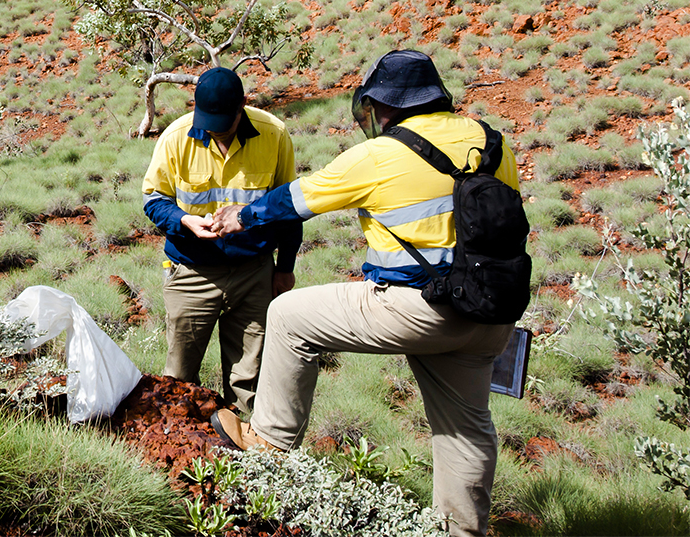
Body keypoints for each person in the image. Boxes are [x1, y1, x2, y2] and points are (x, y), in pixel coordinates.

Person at [205, 50, 521, 537]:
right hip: (488, 313)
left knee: (288, 315)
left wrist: (236, 217)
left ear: (384, 107)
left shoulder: (379, 155)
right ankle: (463, 532)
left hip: (420, 309)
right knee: (465, 428)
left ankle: (266, 444)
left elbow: (297, 199)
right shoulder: (492, 141)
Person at [142, 66, 301, 413]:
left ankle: (243, 452)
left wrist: (284, 268)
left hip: (253, 273)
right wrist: (183, 220)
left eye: (222, 122)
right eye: (207, 121)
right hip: (191, 273)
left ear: (242, 106)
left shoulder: (274, 134)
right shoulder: (175, 137)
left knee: (249, 381)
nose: (214, 130)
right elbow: (153, 201)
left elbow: (290, 207)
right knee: (179, 379)